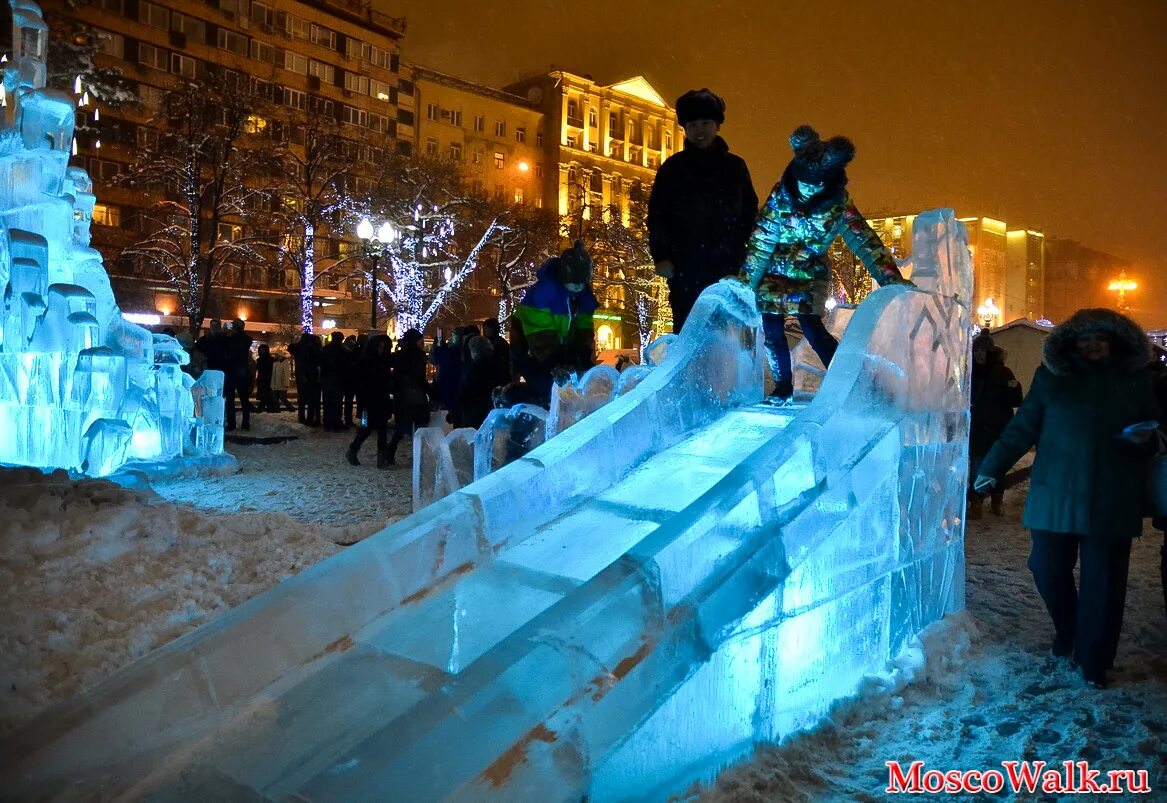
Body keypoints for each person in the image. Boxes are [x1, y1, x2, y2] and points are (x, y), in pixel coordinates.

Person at [974, 308, 1159, 688]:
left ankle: (1094, 659)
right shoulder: (1052, 378)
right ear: (1072, 344)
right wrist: (991, 467)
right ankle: (1069, 628)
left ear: (1115, 344)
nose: (1092, 346)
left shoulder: (1136, 380)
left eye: (1100, 340)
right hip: (1055, 493)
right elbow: (1021, 428)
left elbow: (1156, 430)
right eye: (1085, 340)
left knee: (1103, 583)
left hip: (1113, 495)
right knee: (1046, 567)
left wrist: (1144, 440)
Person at [739, 125, 911, 401]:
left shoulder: (838, 204)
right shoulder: (781, 196)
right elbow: (763, 239)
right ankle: (783, 385)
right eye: (805, 183)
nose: (808, 189)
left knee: (813, 329)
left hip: (809, 271)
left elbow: (864, 240)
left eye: (815, 184)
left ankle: (850, 383)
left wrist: (890, 277)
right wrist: (747, 281)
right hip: (774, 269)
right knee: (771, 330)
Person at [647, 88, 758, 333]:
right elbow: (657, 216)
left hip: (727, 266)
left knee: (726, 333)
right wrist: (662, 257)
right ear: (685, 129)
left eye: (706, 123)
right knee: (688, 332)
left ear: (717, 125)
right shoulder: (673, 168)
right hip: (685, 266)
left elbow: (749, 214)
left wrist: (745, 260)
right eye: (693, 124)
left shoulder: (735, 167)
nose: (700, 130)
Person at [510, 240, 599, 407]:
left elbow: (584, 327)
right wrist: (554, 363)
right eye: (574, 282)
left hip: (560, 346)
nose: (578, 287)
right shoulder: (543, 293)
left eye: (581, 283)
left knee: (573, 386)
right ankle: (511, 396)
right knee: (544, 386)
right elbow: (539, 334)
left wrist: (582, 355)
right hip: (530, 348)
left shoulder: (582, 296)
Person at [968, 332, 1023, 518]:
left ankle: (996, 499)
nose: (979, 354)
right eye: (976, 350)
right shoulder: (970, 372)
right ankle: (976, 502)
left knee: (997, 466)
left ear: (990, 352)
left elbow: (1016, 400)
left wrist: (1015, 388)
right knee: (977, 466)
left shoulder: (1003, 372)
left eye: (983, 350)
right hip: (977, 428)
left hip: (998, 428)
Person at [345, 334, 395, 468]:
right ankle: (353, 450)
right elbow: (361, 382)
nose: (382, 349)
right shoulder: (366, 362)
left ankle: (381, 458)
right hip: (369, 399)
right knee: (367, 428)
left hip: (382, 398)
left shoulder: (383, 361)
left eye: (384, 347)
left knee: (382, 428)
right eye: (380, 346)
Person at [386, 329, 432, 465]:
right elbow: (420, 379)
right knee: (419, 425)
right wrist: (432, 392)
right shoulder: (418, 356)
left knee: (402, 426)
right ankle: (418, 455)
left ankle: (390, 451)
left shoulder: (400, 354)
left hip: (402, 394)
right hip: (416, 394)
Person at [457, 336, 500, 430]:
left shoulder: (472, 369)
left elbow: (464, 391)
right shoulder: (498, 366)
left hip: (474, 412)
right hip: (492, 411)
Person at [223, 318, 253, 431]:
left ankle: (242, 423)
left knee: (242, 400)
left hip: (238, 373)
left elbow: (240, 346)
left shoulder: (244, 339)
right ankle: (234, 423)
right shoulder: (231, 339)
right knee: (232, 400)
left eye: (235, 325)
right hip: (235, 373)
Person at [320, 331, 346, 431]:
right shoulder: (341, 350)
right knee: (337, 403)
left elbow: (322, 364)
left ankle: (328, 423)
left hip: (327, 379)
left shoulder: (325, 349)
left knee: (328, 402)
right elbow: (344, 365)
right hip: (337, 379)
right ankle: (335, 423)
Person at [483, 318, 512, 385]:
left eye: (487, 328)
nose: (485, 331)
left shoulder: (500, 343)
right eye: (485, 328)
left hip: (499, 376)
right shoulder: (486, 341)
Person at [255, 344, 275, 413]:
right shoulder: (259, 360)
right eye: (260, 350)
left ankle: (264, 406)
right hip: (262, 379)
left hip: (268, 379)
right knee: (264, 393)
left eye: (263, 350)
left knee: (266, 393)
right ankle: (264, 406)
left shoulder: (271, 359)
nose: (261, 351)